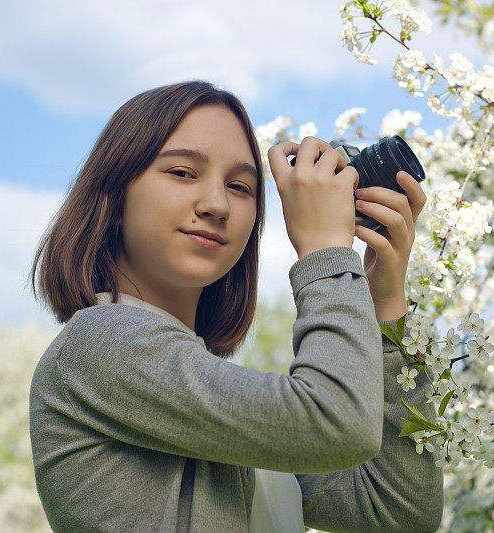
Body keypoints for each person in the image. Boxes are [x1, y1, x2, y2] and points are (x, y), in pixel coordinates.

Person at [27, 79, 444, 532]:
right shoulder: (99, 343)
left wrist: (381, 302)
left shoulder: (203, 393)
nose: (216, 204)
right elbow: (338, 422)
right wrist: (325, 251)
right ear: (112, 197)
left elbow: (399, 511)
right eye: (183, 172)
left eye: (241, 186)